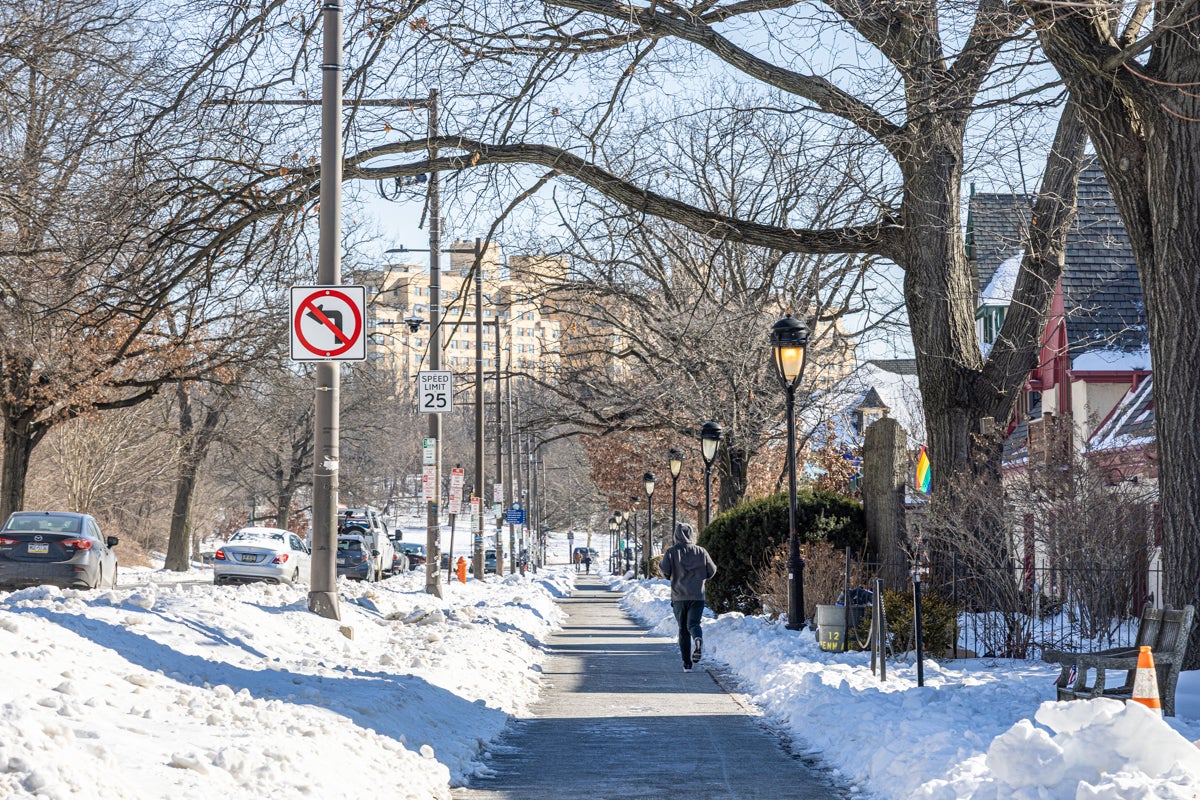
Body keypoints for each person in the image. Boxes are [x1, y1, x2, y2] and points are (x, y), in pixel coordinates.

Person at [658, 522, 717, 672]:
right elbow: (712, 571)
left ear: (676, 535)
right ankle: (697, 638)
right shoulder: (701, 551)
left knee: (683, 630)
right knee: (694, 624)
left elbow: (665, 572)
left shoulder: (671, 552)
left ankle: (687, 664)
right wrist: (699, 577)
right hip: (697, 595)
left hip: (679, 596)